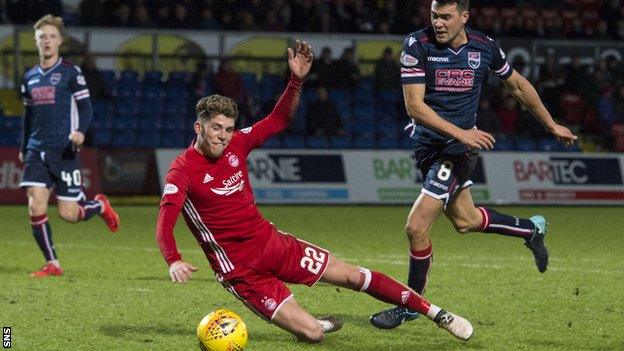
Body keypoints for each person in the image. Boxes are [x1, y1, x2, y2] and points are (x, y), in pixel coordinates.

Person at [156, 40, 474, 343]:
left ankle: (437, 313)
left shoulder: (238, 143)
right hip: (241, 273)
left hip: (273, 244)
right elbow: (164, 224)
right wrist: (173, 260)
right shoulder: (182, 170)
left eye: (228, 129)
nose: (224, 136)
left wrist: (296, 80)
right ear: (199, 128)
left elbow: (278, 119)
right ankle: (311, 323)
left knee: (353, 276)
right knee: (313, 334)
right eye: (216, 129)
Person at [370, 0, 578, 329]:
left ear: (464, 17)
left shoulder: (485, 48)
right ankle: (531, 229)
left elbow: (519, 87)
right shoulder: (416, 44)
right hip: (430, 146)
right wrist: (461, 133)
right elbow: (415, 107)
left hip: (457, 151)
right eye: (434, 15)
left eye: (446, 17)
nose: (438, 22)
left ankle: (411, 305)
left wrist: (551, 125)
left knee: (416, 227)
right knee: (465, 221)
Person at [19, 14, 120, 278]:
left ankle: (98, 206)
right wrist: (23, 146)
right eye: (43, 37)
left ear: (60, 41)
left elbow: (86, 107)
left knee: (69, 214)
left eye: (52, 36)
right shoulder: (29, 77)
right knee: (35, 205)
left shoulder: (70, 73)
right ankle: (53, 263)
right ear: (36, 42)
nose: (47, 41)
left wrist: (80, 132)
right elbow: (28, 116)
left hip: (64, 151)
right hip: (36, 150)